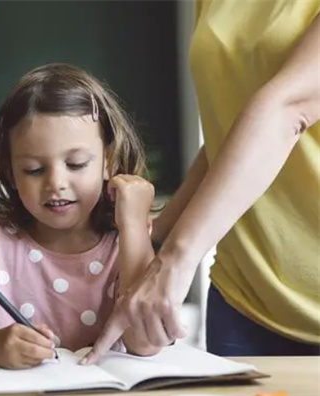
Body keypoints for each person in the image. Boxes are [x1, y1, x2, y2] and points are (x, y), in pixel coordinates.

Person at [82, 0, 320, 364]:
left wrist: (174, 260)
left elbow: (289, 108)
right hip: (244, 300)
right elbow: (227, 130)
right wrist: (156, 233)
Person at [0, 63, 166, 369]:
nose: (55, 184)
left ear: (109, 161)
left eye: (76, 164)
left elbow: (143, 342)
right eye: (34, 170)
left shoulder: (127, 242)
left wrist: (133, 225)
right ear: (10, 172)